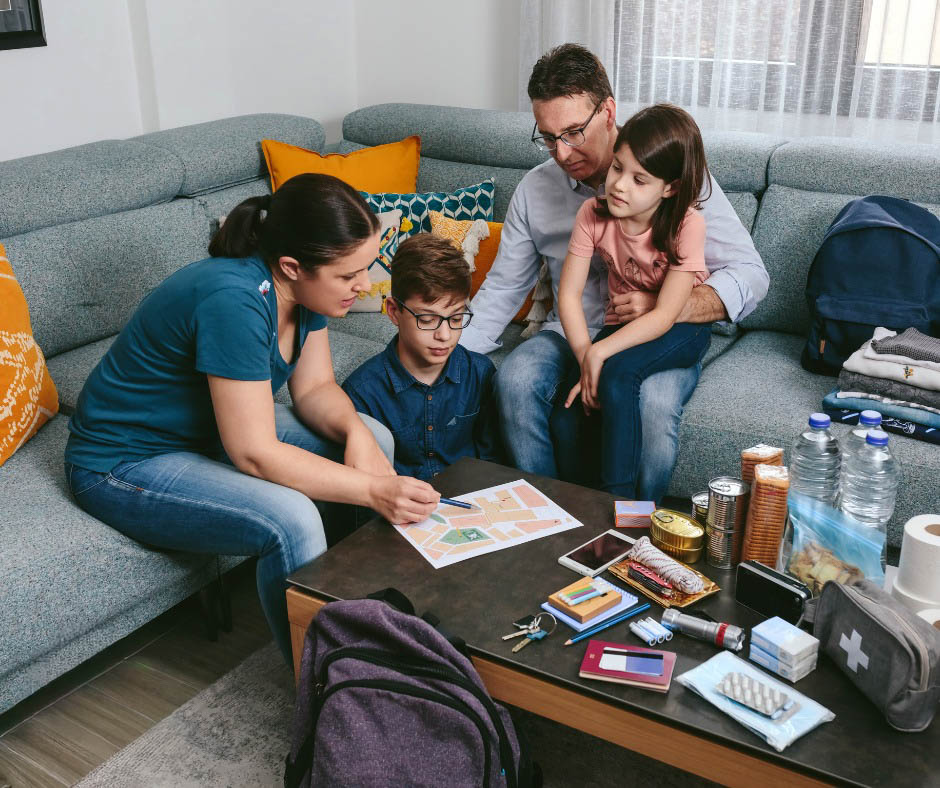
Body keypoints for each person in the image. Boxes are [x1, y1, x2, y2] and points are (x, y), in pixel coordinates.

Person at [64, 174, 440, 665]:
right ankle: (323, 690)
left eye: (366, 269)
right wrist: (371, 490)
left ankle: (366, 612)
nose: (365, 285)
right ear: (292, 266)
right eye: (349, 275)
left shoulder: (305, 294)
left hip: (204, 434)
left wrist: (354, 433)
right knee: (291, 519)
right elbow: (254, 452)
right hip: (123, 461)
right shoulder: (235, 299)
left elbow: (315, 389)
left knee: (373, 435)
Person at [459, 44, 768, 502]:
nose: (561, 153)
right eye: (547, 137)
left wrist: (667, 305)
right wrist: (442, 354)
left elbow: (751, 274)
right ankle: (551, 519)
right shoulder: (537, 191)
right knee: (516, 380)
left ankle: (635, 534)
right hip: (572, 331)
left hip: (654, 331)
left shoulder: (671, 175)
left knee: (654, 406)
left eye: (574, 132)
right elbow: (504, 288)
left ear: (608, 111)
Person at [553, 104, 712, 496]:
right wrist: (585, 354)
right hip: (622, 324)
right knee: (571, 405)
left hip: (681, 328)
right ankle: (580, 504)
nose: (620, 185)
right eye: (618, 168)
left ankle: (620, 508)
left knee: (620, 376)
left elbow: (663, 317)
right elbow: (569, 296)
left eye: (640, 179)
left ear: (669, 187)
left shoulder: (687, 224)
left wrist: (600, 354)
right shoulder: (593, 213)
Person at [342, 234, 502, 480]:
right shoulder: (362, 392)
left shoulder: (480, 374)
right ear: (394, 312)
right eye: (427, 320)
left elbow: (492, 462)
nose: (445, 335)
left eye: (457, 318)